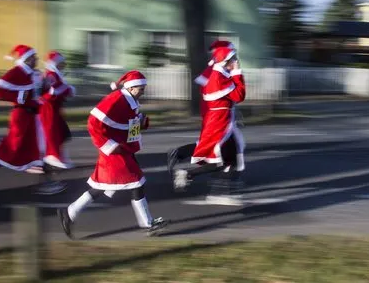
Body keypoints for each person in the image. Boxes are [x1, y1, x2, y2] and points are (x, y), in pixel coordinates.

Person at [57, 70, 168, 238]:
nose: (143, 91)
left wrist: (141, 122)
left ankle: (70, 212)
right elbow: (93, 122)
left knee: (100, 187)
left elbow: (129, 123)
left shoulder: (130, 100)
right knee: (137, 183)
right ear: (131, 88)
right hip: (115, 153)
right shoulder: (116, 99)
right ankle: (147, 224)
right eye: (141, 88)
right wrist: (109, 146)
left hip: (123, 150)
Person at [0, 45, 65, 194]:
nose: (37, 59)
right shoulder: (17, 72)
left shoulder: (34, 73)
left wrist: (46, 86)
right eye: (34, 57)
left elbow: (37, 93)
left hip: (34, 117)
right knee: (14, 147)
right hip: (21, 116)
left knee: (38, 149)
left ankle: (46, 182)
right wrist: (19, 97)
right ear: (27, 59)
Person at [172, 46, 246, 203]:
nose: (236, 61)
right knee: (220, 160)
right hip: (220, 123)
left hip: (224, 121)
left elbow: (233, 99)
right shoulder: (219, 77)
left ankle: (224, 190)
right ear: (225, 61)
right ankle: (190, 175)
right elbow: (239, 95)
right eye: (233, 59)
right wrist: (237, 72)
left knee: (230, 159)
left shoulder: (220, 74)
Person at [166, 40, 240, 174]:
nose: (235, 59)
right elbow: (235, 94)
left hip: (220, 114)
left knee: (224, 148)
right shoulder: (215, 71)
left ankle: (230, 175)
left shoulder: (218, 68)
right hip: (216, 115)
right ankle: (182, 161)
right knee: (212, 146)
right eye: (232, 55)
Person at [38, 51, 76, 192]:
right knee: (51, 138)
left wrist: (66, 90)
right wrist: (67, 90)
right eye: (62, 63)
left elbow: (57, 91)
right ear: (55, 63)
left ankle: (59, 159)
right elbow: (49, 93)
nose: (64, 65)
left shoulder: (54, 74)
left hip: (55, 111)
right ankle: (49, 171)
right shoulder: (50, 75)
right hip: (48, 112)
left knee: (63, 135)